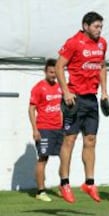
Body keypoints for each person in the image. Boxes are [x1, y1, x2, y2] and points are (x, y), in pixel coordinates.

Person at [55, 11, 109, 203]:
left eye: (101, 26)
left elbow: (102, 66)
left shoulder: (102, 43)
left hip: (92, 99)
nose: (99, 30)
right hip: (75, 99)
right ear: (86, 26)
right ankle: (64, 183)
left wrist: (104, 91)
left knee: (91, 140)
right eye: (96, 26)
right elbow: (59, 65)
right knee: (69, 141)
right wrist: (65, 92)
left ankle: (89, 183)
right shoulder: (73, 42)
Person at [28, 58, 63, 202]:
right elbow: (31, 108)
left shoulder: (60, 87)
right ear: (45, 71)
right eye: (50, 72)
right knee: (43, 158)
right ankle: (40, 191)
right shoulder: (38, 87)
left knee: (64, 157)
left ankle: (63, 187)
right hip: (44, 128)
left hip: (58, 129)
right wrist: (35, 129)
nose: (53, 75)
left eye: (55, 72)